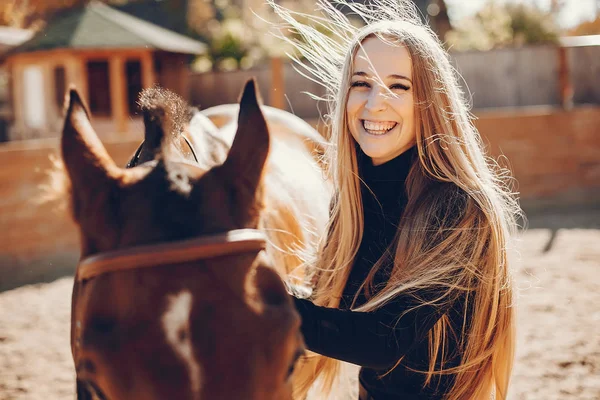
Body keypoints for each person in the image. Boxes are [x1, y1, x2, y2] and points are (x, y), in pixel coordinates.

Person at [269, 1, 522, 399]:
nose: (374, 103)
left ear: (429, 102)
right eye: (361, 83)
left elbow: (384, 339)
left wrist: (256, 300)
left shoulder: (457, 206)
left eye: (398, 86)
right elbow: (325, 316)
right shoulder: (353, 201)